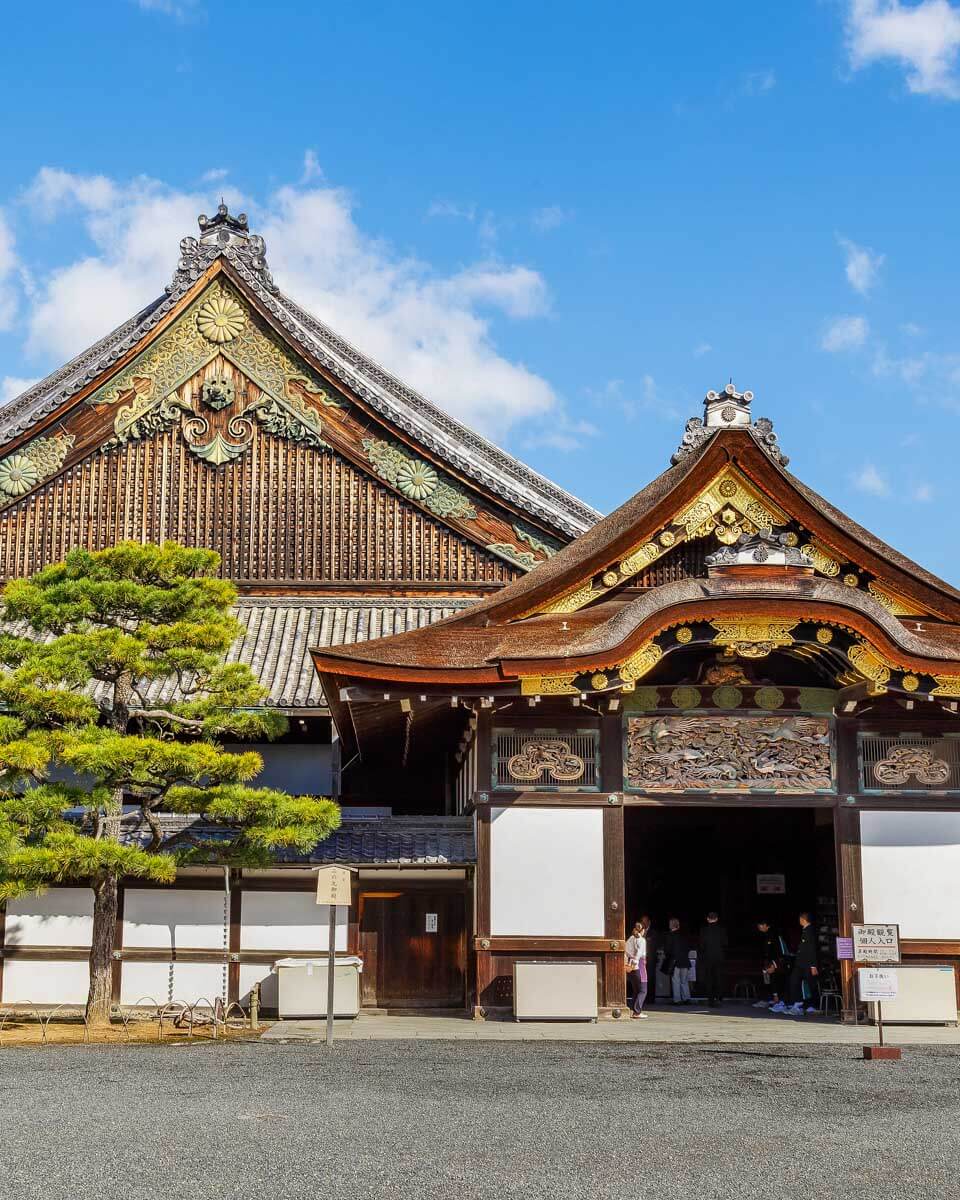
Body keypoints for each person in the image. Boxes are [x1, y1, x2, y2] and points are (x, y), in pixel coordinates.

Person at [784, 912, 820, 1016]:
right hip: (800, 963)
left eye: (800, 919)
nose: (799, 920)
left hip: (808, 963)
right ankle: (798, 1002)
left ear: (803, 919)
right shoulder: (804, 930)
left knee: (810, 984)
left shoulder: (810, 931)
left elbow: (812, 949)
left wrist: (813, 965)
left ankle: (811, 1005)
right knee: (794, 981)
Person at [755, 920, 787, 1009]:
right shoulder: (764, 935)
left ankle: (777, 1000)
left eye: (760, 926)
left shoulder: (774, 934)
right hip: (767, 961)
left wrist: (774, 964)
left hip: (774, 962)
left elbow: (778, 950)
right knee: (766, 980)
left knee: (774, 980)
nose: (759, 929)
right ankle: (769, 999)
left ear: (765, 925)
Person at [698, 911, 728, 1007]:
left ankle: (711, 1000)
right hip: (719, 957)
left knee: (709, 978)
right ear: (717, 919)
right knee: (718, 978)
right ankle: (719, 998)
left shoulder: (703, 930)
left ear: (708, 919)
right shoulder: (722, 930)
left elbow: (701, 945)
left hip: (708, 957)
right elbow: (725, 943)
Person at [662, 917, 692, 1005]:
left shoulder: (669, 935)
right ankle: (686, 998)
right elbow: (688, 947)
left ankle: (677, 1000)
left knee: (676, 981)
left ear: (671, 925)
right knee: (684, 981)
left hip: (675, 961)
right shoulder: (684, 935)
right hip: (685, 961)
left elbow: (667, 950)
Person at [624, 920, 648, 1019]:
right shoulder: (641, 940)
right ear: (642, 930)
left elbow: (625, 950)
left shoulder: (630, 939)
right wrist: (635, 961)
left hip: (630, 964)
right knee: (643, 990)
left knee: (636, 990)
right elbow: (639, 954)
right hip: (639, 965)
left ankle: (634, 1010)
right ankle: (637, 1011)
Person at [640, 914, 657, 1006]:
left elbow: (655, 946)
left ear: (649, 922)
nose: (643, 923)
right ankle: (643, 997)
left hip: (650, 959)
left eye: (645, 921)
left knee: (651, 978)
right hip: (641, 960)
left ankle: (651, 998)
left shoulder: (653, 933)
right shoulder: (639, 932)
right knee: (642, 978)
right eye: (642, 921)